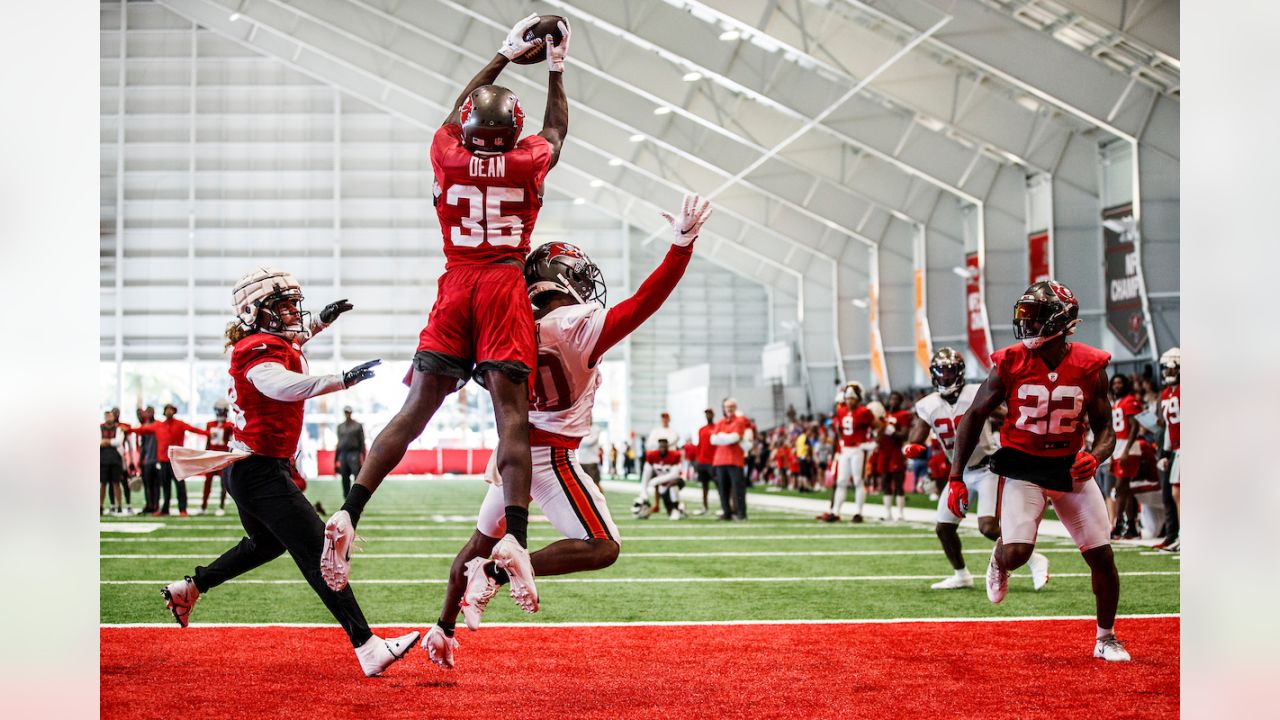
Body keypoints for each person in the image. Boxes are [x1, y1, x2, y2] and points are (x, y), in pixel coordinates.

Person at [322, 14, 573, 590]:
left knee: (414, 409)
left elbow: (453, 117)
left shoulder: (447, 153)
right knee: (510, 415)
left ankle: (349, 510)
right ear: (513, 132)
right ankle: (514, 538)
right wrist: (556, 70)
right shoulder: (528, 157)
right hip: (505, 284)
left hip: (456, 284)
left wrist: (503, 56)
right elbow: (557, 131)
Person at [420, 196, 710, 668]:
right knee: (602, 546)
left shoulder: (510, 327)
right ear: (563, 280)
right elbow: (644, 302)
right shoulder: (578, 324)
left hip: (510, 458)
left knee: (475, 543)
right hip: (550, 457)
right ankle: (497, 572)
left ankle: (442, 627)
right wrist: (681, 245)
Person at [161, 266, 415, 677]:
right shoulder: (255, 351)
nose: (291, 313)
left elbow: (293, 341)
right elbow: (281, 385)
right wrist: (340, 380)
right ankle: (368, 647)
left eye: (291, 304)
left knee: (266, 545)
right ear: (254, 312)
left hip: (252, 468)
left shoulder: (264, 340)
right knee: (319, 553)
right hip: (258, 471)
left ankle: (190, 588)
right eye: (280, 305)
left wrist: (323, 321)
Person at [945, 280, 1129, 661]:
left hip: (1071, 470)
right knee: (1016, 552)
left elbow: (1106, 429)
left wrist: (1095, 456)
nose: (1026, 325)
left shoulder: (1090, 365)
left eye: (1036, 316)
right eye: (1023, 316)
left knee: (1102, 557)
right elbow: (974, 415)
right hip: (1023, 467)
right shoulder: (1010, 361)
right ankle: (999, 558)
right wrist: (955, 475)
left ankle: (1106, 637)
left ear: (1062, 321)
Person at [903, 347, 1047, 590]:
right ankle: (961, 575)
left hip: (987, 467)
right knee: (944, 528)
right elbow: (917, 435)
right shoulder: (927, 405)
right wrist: (911, 447)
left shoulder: (974, 393)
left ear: (959, 372)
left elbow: (1008, 416)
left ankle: (1034, 559)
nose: (945, 377)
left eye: (950, 371)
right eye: (941, 371)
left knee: (988, 527)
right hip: (959, 472)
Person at [132, 403, 209, 517]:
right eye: (167, 409)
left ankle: (182, 509)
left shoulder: (180, 424)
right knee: (165, 485)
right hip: (163, 460)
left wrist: (208, 433)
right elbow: (143, 429)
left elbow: (193, 429)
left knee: (180, 485)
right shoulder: (158, 425)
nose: (169, 411)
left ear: (174, 411)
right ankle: (165, 509)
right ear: (164, 412)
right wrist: (128, 430)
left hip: (177, 460)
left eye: (171, 409)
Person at [817, 383, 877, 523]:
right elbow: (838, 428)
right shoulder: (841, 411)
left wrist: (873, 443)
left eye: (852, 398)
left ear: (858, 399)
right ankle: (836, 511)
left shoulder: (864, 412)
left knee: (858, 481)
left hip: (858, 450)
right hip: (845, 450)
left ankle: (858, 513)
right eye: (848, 398)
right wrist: (842, 440)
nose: (850, 400)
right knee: (841, 481)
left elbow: (878, 426)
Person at [1107, 373, 1144, 539]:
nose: (1117, 386)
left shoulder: (1130, 400)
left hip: (1128, 447)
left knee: (1120, 487)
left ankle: (1118, 523)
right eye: (1114, 383)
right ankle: (1132, 526)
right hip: (1117, 448)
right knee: (1126, 490)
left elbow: (1135, 426)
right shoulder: (1116, 403)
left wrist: (1127, 450)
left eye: (1120, 383)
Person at [1155, 347, 1181, 551]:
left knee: (1178, 493)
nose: (1167, 373)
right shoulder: (1166, 393)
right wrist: (1165, 453)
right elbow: (1168, 427)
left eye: (1172, 369)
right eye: (1166, 369)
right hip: (1176, 448)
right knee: (1175, 493)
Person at [710, 398, 751, 520]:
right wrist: (727, 437)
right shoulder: (720, 422)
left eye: (732, 406)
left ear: (735, 407)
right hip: (720, 460)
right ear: (724, 408)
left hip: (735, 460)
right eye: (727, 406)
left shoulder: (739, 421)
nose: (729, 409)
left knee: (738, 488)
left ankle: (741, 513)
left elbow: (735, 437)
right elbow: (713, 440)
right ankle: (726, 512)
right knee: (722, 489)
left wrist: (721, 436)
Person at [878, 391, 911, 521]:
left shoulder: (903, 415)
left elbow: (904, 435)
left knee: (898, 482)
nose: (893, 402)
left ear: (900, 401)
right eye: (891, 399)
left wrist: (893, 433)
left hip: (895, 451)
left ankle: (900, 513)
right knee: (885, 481)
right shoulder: (884, 415)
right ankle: (888, 513)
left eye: (896, 399)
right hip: (883, 451)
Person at [636, 438, 687, 520]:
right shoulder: (652, 455)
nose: (662, 448)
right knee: (669, 511)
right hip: (663, 485)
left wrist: (657, 480)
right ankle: (680, 508)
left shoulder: (674, 455)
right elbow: (646, 475)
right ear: (658, 447)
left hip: (676, 481)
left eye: (664, 446)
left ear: (668, 447)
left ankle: (676, 509)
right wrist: (644, 492)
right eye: (661, 446)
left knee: (672, 485)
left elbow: (674, 475)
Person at [200, 399, 235, 516]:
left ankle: (221, 506)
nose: (220, 412)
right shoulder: (210, 424)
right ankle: (203, 506)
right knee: (207, 482)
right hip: (211, 456)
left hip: (222, 456)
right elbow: (208, 441)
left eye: (222, 410)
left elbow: (231, 442)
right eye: (218, 410)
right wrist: (205, 455)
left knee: (223, 483)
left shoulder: (229, 425)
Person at [334, 406, 365, 499]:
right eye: (346, 412)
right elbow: (339, 443)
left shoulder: (357, 426)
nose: (347, 414)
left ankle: (356, 500)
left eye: (349, 412)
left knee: (357, 478)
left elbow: (362, 441)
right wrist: (335, 459)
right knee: (344, 478)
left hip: (354, 453)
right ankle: (346, 499)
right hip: (343, 454)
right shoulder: (340, 427)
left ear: (351, 413)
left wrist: (363, 456)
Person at [100, 410, 127, 515]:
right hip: (103, 459)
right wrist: (111, 442)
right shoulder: (99, 428)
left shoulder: (119, 429)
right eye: (107, 416)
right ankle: (100, 506)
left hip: (115, 459)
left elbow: (118, 442)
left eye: (110, 416)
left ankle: (119, 506)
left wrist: (106, 441)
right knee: (103, 483)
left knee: (116, 483)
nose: (109, 418)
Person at [135, 405, 159, 514]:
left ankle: (155, 505)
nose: (149, 414)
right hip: (147, 460)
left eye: (151, 411)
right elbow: (143, 446)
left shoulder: (159, 425)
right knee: (147, 484)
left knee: (156, 484)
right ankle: (149, 505)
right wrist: (140, 460)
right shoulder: (144, 427)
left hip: (157, 459)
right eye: (147, 412)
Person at [693, 408, 717, 514]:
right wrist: (697, 460)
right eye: (706, 414)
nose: (708, 415)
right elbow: (699, 446)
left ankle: (724, 507)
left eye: (710, 414)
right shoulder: (701, 429)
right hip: (702, 462)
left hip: (713, 462)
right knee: (704, 486)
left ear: (713, 415)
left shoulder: (717, 428)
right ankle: (705, 507)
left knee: (719, 485)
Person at [578, 427, 603, 491]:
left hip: (592, 463)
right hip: (581, 462)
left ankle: (601, 500)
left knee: (595, 485)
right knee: (583, 485)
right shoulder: (579, 428)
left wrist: (580, 438)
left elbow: (590, 442)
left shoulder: (595, 429)